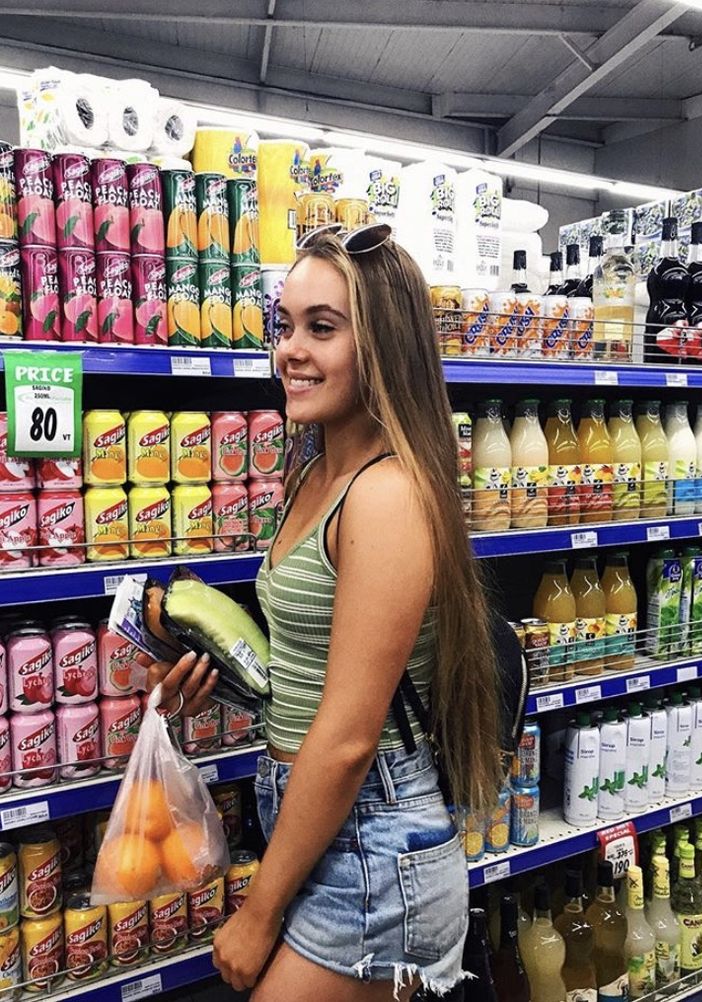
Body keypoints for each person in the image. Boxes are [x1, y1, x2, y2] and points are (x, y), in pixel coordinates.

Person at [146, 226, 504, 1000]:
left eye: (322, 327)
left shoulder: (383, 496)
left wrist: (259, 912)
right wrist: (228, 673)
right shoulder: (312, 474)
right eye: (284, 325)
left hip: (372, 846)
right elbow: (318, 665)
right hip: (323, 832)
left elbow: (345, 738)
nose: (290, 351)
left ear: (383, 346)